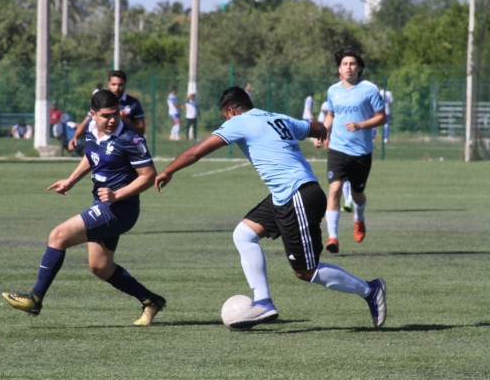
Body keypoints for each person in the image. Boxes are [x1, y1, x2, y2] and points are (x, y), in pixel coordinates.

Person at [154, 86, 386, 330]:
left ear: (231, 111)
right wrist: (321, 134)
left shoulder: (239, 122)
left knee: (306, 271)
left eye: (225, 117)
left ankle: (370, 289)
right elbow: (317, 127)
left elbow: (195, 152)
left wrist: (168, 170)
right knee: (244, 234)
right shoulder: (277, 117)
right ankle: (263, 301)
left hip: (298, 196)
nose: (226, 122)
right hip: (286, 196)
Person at [2, 90, 166, 326]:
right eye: (105, 116)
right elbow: (92, 156)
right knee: (100, 267)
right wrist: (71, 180)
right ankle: (151, 301)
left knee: (58, 236)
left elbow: (149, 176)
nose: (112, 120)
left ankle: (34, 299)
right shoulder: (91, 128)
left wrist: (116, 194)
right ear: (92, 115)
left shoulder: (130, 139)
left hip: (120, 210)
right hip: (102, 204)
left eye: (116, 114)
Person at [318, 48, 386, 254]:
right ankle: (333, 237)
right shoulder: (333, 91)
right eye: (345, 64)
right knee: (335, 190)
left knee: (357, 194)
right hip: (338, 149)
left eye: (353, 64)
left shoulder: (369, 89)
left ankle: (359, 218)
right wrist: (321, 132)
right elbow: (331, 115)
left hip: (362, 152)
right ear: (339, 69)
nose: (349, 67)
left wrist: (361, 125)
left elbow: (382, 117)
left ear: (359, 68)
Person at [69, 70, 145, 151]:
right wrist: (75, 137)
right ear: (108, 84)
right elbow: (86, 121)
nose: (117, 88)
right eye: (114, 84)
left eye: (120, 85)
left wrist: (126, 119)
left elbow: (141, 131)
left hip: (125, 147)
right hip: (103, 146)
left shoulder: (134, 103)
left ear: (125, 84)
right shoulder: (101, 101)